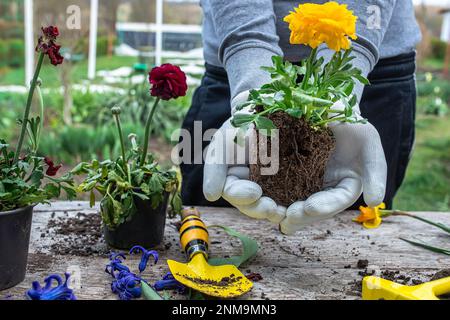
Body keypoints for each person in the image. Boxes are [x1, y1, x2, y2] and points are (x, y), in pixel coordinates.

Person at [180, 0, 421, 234]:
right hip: (234, 66)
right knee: (211, 220)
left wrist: (335, 98)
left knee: (360, 229)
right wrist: (250, 85)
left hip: (373, 65)